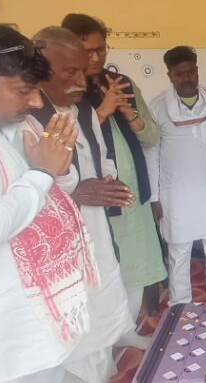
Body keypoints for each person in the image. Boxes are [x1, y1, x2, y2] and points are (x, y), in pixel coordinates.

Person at [0, 24, 98, 383]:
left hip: (23, 306)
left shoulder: (3, 123)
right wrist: (42, 176)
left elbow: (44, 191)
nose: (33, 102)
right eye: (23, 90)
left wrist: (55, 170)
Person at [30, 26, 137, 383]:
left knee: (96, 314)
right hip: (54, 253)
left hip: (92, 236)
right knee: (64, 333)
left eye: (83, 70)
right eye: (69, 72)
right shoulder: (24, 122)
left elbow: (100, 161)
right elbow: (19, 202)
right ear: (40, 68)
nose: (80, 81)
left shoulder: (84, 112)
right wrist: (77, 194)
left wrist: (104, 187)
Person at [62, 14, 165, 345]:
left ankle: (127, 329)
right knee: (105, 267)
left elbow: (152, 136)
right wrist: (102, 111)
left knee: (137, 260)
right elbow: (64, 144)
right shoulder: (64, 91)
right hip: (94, 198)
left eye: (101, 50)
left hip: (131, 191)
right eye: (88, 51)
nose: (96, 58)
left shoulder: (120, 83)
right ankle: (105, 339)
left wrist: (127, 111)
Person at [147, 46, 206, 305]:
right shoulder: (158, 106)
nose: (187, 78)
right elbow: (151, 153)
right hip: (176, 194)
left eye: (191, 72)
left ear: (197, 71)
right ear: (170, 75)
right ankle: (179, 307)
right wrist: (154, 196)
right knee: (179, 254)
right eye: (180, 74)